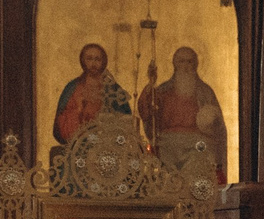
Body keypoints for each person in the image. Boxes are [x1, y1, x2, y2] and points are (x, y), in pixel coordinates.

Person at [137, 45, 228, 178]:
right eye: (181, 61)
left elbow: (218, 127)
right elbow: (147, 111)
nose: (185, 66)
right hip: (168, 144)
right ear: (175, 64)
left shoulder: (205, 91)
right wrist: (151, 84)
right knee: (164, 162)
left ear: (195, 64)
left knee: (203, 155)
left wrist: (210, 120)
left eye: (189, 61)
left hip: (197, 144)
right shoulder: (163, 90)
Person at [53, 44, 131, 144]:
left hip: (107, 146)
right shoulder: (72, 88)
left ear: (103, 61)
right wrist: (78, 110)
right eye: (89, 59)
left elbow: (125, 119)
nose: (93, 63)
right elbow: (61, 124)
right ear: (82, 60)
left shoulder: (113, 88)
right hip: (79, 146)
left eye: (97, 59)